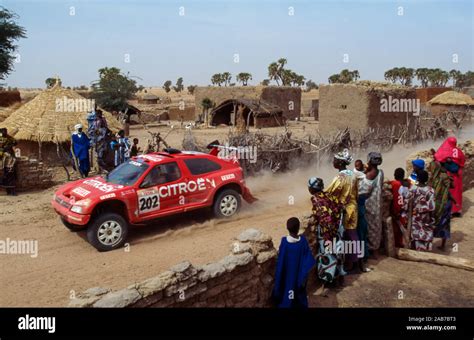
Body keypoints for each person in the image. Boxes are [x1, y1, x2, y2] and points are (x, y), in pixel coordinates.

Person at [307, 177, 346, 286]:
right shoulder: (329, 195)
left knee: (328, 256)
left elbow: (324, 218)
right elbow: (341, 208)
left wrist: (328, 236)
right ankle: (339, 278)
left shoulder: (316, 199)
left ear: (312, 189)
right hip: (337, 230)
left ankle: (330, 281)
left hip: (327, 233)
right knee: (338, 254)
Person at [325, 149, 359, 272]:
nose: (333, 161)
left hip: (345, 210)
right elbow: (356, 192)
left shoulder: (341, 177)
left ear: (340, 163)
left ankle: (349, 264)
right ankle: (355, 262)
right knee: (353, 234)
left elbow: (330, 192)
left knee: (345, 236)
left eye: (335, 160)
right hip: (353, 207)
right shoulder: (353, 174)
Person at [272, 217, 316, 308]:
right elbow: (308, 260)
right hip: (299, 277)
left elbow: (281, 261)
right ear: (298, 228)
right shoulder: (303, 241)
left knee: (287, 296)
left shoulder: (284, 242)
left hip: (287, 277)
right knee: (299, 297)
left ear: (287, 228)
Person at [403, 170, 435, 251]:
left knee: (415, 232)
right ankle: (424, 249)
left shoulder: (412, 189)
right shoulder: (430, 191)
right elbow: (432, 207)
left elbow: (406, 203)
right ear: (427, 179)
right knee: (426, 232)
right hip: (425, 217)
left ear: (417, 178)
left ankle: (415, 249)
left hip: (414, 216)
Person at [433, 137, 465, 217]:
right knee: (457, 191)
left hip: (448, 174)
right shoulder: (459, 151)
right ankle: (457, 210)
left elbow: (437, 157)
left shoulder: (445, 150)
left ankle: (449, 211)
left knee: (448, 191)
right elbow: (463, 160)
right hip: (457, 174)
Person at [428, 158, 453, 250]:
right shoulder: (434, 178)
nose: (430, 169)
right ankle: (435, 243)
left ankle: (439, 244)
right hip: (440, 202)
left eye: (431, 167)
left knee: (440, 223)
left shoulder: (441, 177)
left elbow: (450, 186)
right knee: (440, 223)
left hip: (442, 203)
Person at [365, 152, 384, 257]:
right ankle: (376, 250)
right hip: (378, 204)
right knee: (377, 227)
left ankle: (370, 250)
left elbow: (364, 190)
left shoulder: (369, 175)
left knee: (369, 228)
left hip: (369, 204)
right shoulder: (381, 172)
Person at [390, 168, 406, 248]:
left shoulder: (394, 184)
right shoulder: (404, 184)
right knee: (399, 229)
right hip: (401, 211)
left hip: (395, 210)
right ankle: (399, 244)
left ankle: (397, 244)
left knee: (395, 229)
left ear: (394, 175)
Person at [0, 128, 17, 195]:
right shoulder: (1, 138)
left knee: (11, 174)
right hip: (4, 159)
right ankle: (8, 191)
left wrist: (9, 146)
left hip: (9, 160)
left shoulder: (9, 138)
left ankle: (12, 191)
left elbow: (15, 142)